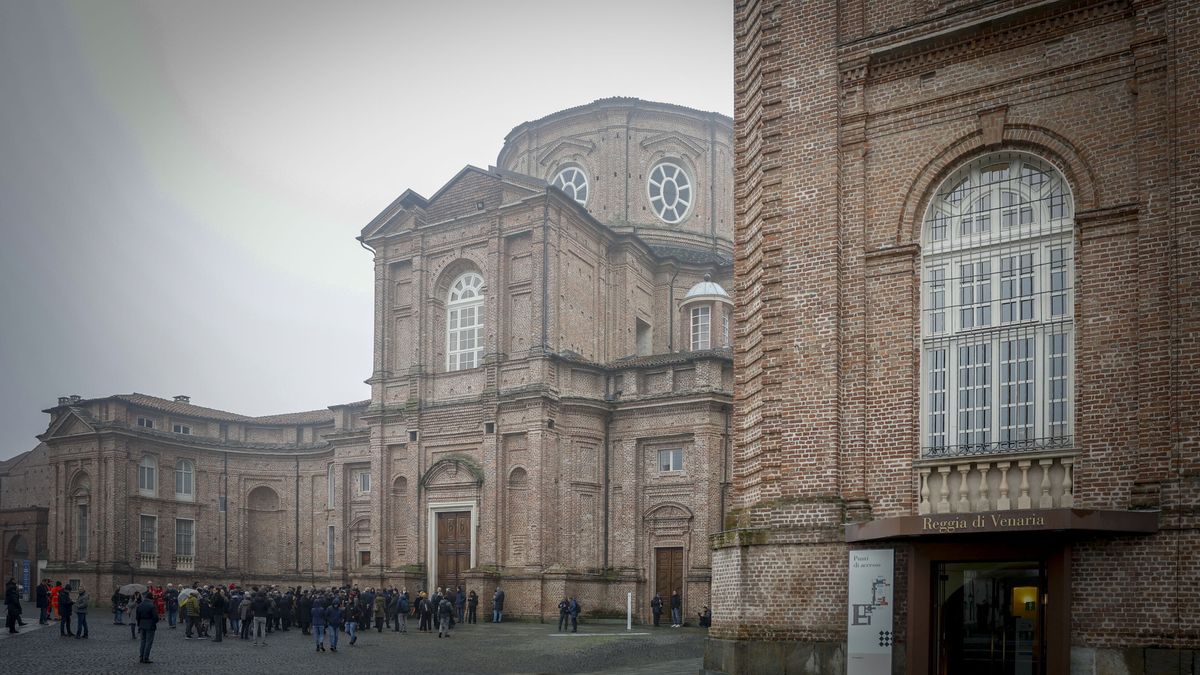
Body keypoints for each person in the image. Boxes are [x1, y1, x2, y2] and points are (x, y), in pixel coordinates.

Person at [135, 593, 159, 663]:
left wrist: (139, 624)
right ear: (151, 599)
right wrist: (154, 622)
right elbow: (155, 617)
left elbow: (137, 617)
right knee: (148, 642)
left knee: (143, 641)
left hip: (142, 625)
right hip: (150, 625)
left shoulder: (140, 605)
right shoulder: (152, 606)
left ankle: (141, 657)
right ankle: (146, 657)